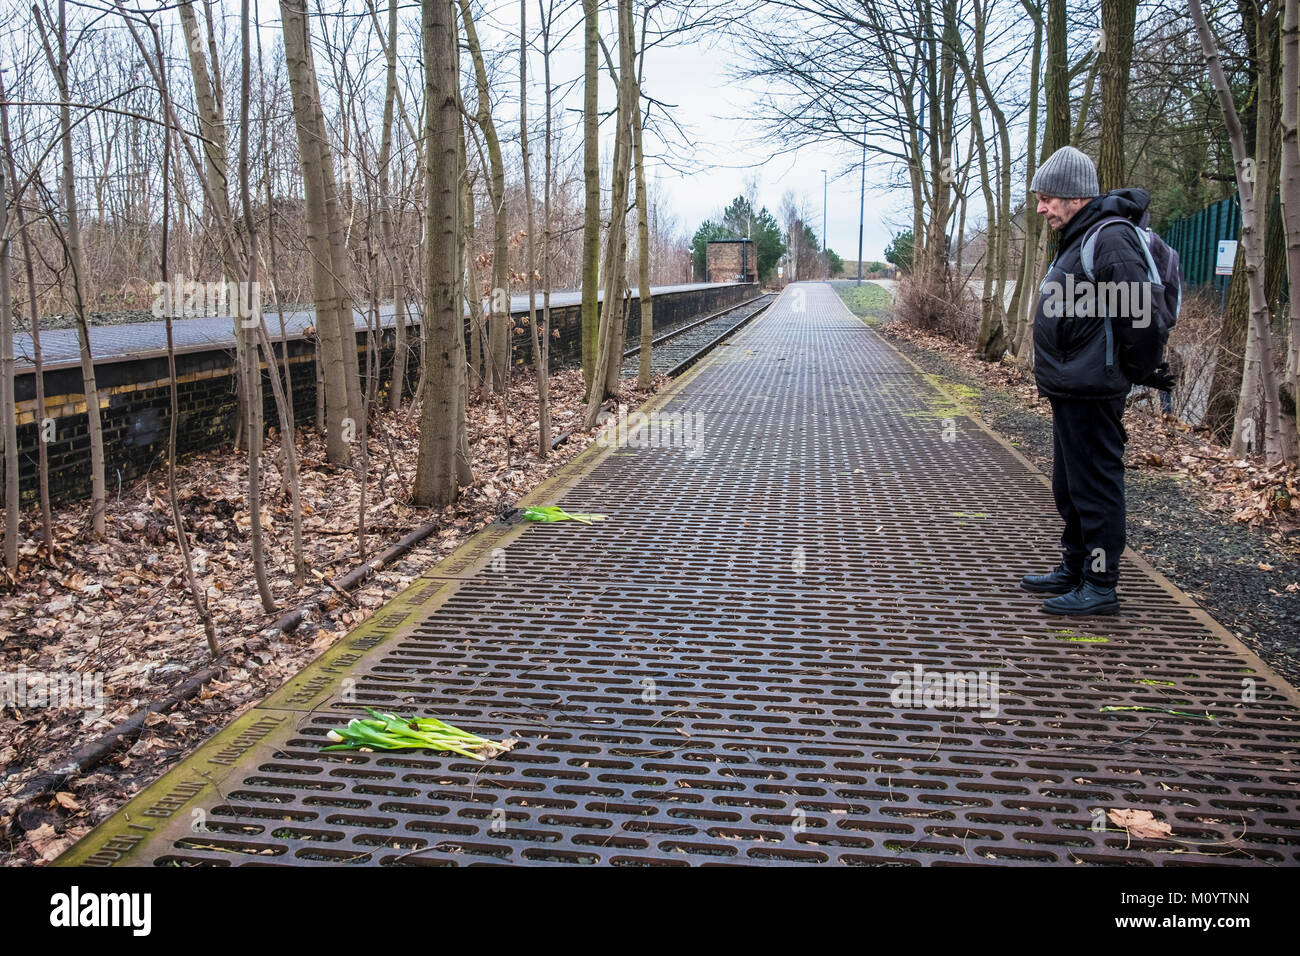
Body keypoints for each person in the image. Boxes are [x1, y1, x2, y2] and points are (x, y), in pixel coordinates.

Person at [1019, 146, 1163, 616]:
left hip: (1094, 388)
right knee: (1070, 484)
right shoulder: (1081, 234)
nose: (1040, 208)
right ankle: (1076, 565)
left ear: (1073, 196)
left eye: (1046, 198)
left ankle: (1100, 584)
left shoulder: (1111, 238)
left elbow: (1138, 317)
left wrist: (1129, 373)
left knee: (1096, 486)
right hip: (1073, 386)